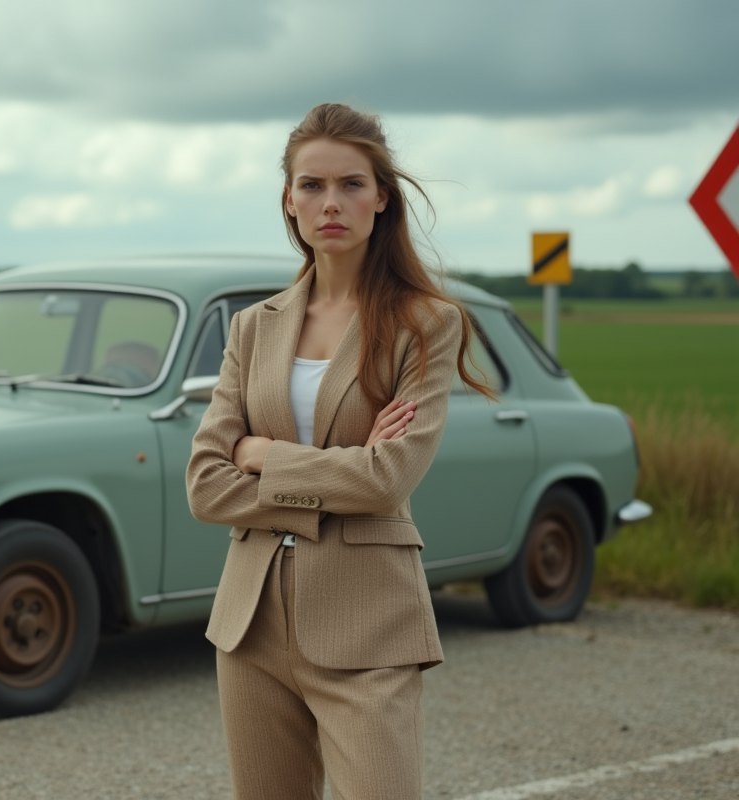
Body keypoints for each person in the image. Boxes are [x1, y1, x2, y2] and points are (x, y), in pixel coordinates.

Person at [186, 103, 494, 800]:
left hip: (369, 622)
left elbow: (388, 480)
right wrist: (335, 479)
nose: (332, 203)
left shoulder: (427, 324)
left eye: (351, 185)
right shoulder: (251, 328)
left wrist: (262, 453)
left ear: (382, 198)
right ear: (289, 201)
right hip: (251, 625)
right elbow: (205, 484)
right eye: (312, 186)